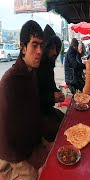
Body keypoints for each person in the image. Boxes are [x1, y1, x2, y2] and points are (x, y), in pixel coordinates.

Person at [0, 20, 44, 180]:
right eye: (34, 45)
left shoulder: (31, 74)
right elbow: (5, 141)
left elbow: (32, 117)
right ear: (23, 47)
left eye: (41, 45)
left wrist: (43, 144)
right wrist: (31, 172)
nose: (39, 51)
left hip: (30, 148)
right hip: (11, 161)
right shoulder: (8, 82)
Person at [36, 24, 65, 143]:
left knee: (66, 119)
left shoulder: (48, 65)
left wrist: (56, 92)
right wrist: (52, 97)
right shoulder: (36, 67)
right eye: (51, 48)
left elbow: (50, 85)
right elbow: (33, 97)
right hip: (38, 114)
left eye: (56, 48)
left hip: (47, 109)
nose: (55, 52)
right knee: (59, 130)